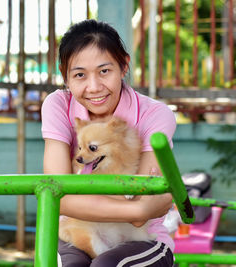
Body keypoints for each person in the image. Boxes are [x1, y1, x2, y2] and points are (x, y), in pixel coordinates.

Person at [41, 19, 176, 266]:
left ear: (124, 66)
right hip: (75, 230)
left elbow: (140, 217)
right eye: (80, 75)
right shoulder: (58, 105)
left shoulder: (154, 115)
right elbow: (57, 195)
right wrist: (138, 209)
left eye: (104, 71)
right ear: (64, 74)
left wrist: (139, 210)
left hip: (142, 239)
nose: (93, 87)